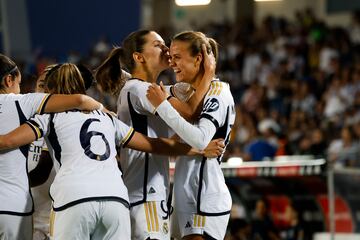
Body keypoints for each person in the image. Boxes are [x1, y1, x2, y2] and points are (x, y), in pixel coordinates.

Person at [0, 63, 224, 239]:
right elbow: (153, 145)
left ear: (50, 93)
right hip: (115, 200)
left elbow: (8, 141)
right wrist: (195, 149)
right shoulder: (106, 116)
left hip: (74, 198)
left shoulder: (48, 117)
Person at [96, 30, 215, 240]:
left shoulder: (143, 89)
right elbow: (191, 110)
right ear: (139, 57)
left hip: (145, 194)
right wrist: (208, 73)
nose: (166, 49)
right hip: (145, 196)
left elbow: (178, 127)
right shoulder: (140, 90)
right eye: (158, 45)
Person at [0, 54, 104, 240]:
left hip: (48, 213)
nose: (46, 92)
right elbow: (80, 100)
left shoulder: (48, 121)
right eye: (41, 86)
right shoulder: (25, 109)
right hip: (16, 208)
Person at [146, 31, 235, 240]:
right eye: (170, 56)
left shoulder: (218, 92)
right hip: (183, 196)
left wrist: (162, 106)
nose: (172, 62)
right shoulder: (185, 91)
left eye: (177, 57)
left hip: (203, 196)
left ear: (198, 59)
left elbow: (202, 139)